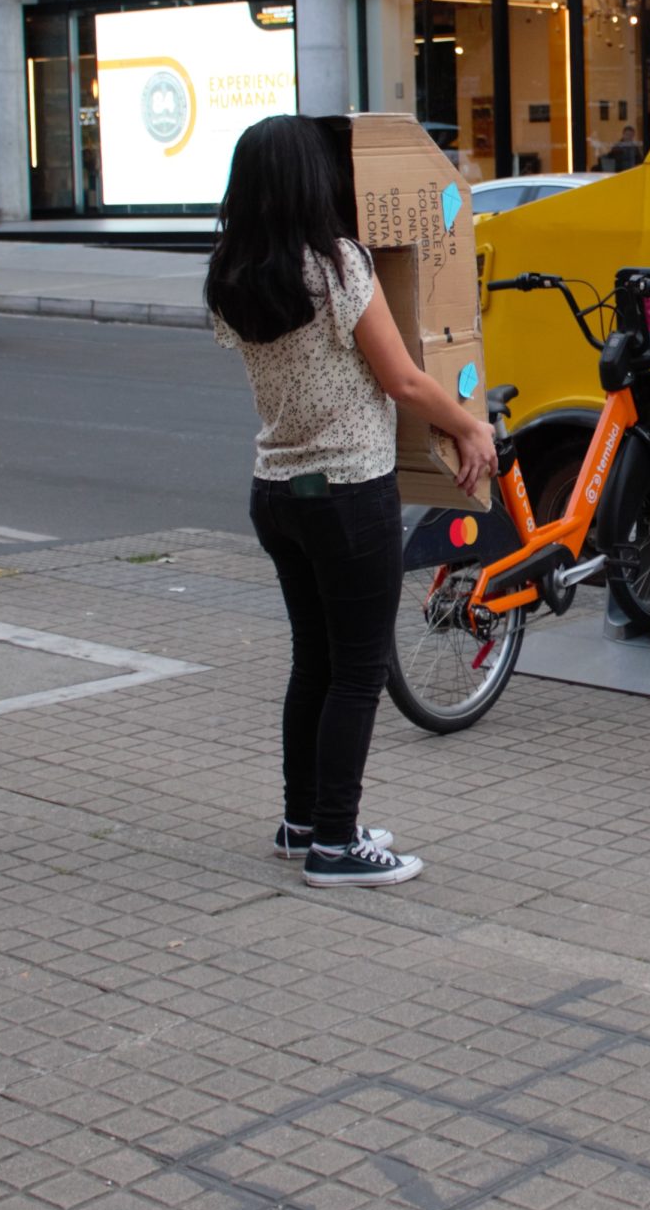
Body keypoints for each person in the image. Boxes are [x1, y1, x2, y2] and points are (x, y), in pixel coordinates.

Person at [208, 115, 495, 887]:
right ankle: (336, 843)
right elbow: (403, 378)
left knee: (315, 661)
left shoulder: (230, 273)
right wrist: (470, 423)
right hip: (347, 491)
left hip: (278, 492)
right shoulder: (337, 267)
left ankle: (304, 820)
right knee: (359, 670)